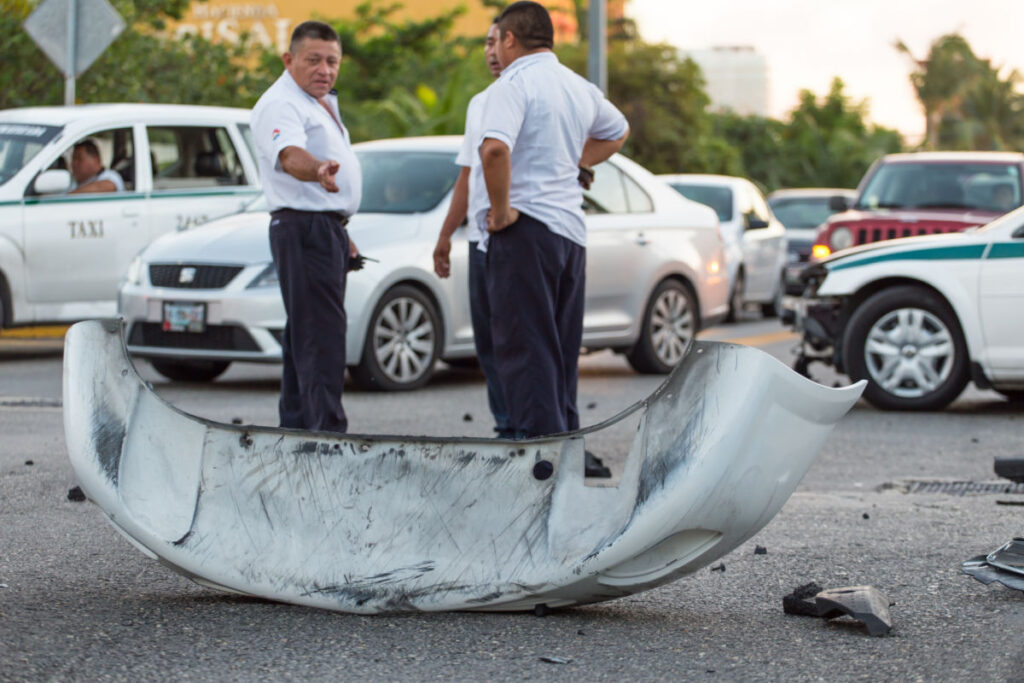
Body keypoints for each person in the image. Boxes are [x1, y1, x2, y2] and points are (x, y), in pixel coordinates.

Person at [479, 1, 629, 441]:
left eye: (498, 41)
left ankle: (539, 466)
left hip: (526, 232)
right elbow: (616, 130)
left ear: (509, 38)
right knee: (559, 353)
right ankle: (566, 456)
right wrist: (576, 160)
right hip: (570, 236)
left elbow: (493, 150)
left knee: (526, 352)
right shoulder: (577, 86)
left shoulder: (514, 82)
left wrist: (502, 209)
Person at [250, 20, 361, 433]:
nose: (325, 70)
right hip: (304, 227)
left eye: (333, 62)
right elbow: (289, 154)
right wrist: (317, 170)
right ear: (289, 59)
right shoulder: (283, 104)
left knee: (308, 334)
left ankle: (298, 431)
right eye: (313, 60)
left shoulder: (317, 102)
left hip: (322, 226)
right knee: (321, 338)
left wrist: (342, 229)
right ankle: (326, 437)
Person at [432, 19, 513, 438]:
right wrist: (446, 235)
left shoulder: (527, 95)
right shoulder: (480, 102)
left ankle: (536, 429)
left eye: (497, 41)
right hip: (480, 241)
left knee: (520, 341)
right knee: (488, 341)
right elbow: (469, 176)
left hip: (515, 237)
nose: (490, 50)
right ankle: (505, 424)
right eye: (485, 42)